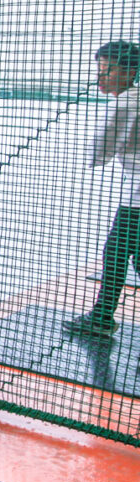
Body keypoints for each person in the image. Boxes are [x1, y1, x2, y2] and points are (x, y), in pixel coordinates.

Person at [63, 40, 140, 338]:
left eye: (108, 70)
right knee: (123, 254)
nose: (100, 77)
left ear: (130, 71)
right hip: (134, 194)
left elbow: (97, 153)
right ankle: (102, 316)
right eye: (99, 70)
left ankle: (102, 318)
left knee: (117, 252)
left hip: (137, 200)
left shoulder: (126, 102)